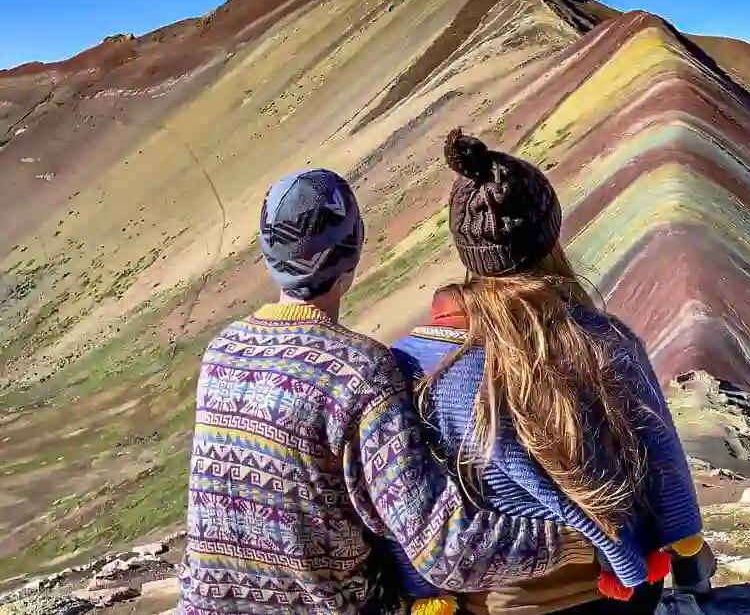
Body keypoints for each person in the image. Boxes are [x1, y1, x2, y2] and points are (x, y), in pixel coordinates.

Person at [178, 169, 597, 615]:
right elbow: (441, 549)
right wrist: (571, 543)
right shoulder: (359, 373)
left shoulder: (223, 350)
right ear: (355, 246)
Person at [389, 130, 714, 615]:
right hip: (615, 593)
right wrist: (689, 554)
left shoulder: (414, 365)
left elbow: (407, 503)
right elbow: (663, 467)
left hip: (492, 605)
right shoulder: (603, 340)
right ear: (548, 235)